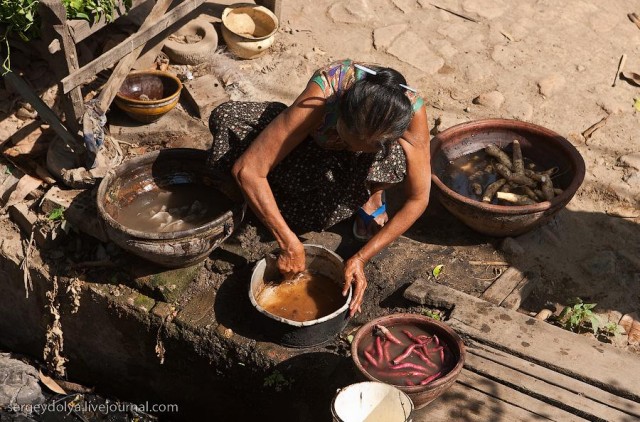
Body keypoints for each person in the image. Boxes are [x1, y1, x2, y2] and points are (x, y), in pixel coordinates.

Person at [207, 59, 431, 316]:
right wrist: (289, 242)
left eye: (365, 146)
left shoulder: (410, 112)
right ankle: (266, 194)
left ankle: (373, 194)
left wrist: (360, 258)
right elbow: (248, 170)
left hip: (366, 164)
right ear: (342, 116)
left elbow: (418, 199)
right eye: (351, 140)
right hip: (315, 141)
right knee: (226, 118)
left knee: (319, 210)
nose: (355, 147)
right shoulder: (325, 91)